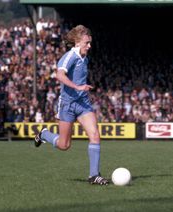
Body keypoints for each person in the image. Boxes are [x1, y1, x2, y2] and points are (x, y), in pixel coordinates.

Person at [34, 25, 109, 185]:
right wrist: (77, 87)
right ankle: (44, 134)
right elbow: (59, 75)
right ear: (77, 42)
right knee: (64, 145)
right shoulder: (70, 57)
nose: (89, 46)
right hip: (67, 105)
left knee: (95, 135)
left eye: (90, 43)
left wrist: (81, 89)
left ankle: (94, 175)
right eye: (86, 43)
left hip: (83, 103)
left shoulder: (85, 58)